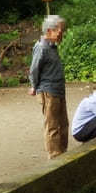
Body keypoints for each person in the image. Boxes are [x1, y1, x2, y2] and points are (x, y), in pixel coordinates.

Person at [28, 15, 68, 159]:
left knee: (63, 124)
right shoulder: (41, 47)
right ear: (50, 30)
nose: (61, 33)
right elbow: (34, 69)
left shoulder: (52, 46)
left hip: (59, 90)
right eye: (59, 30)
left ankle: (63, 152)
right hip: (48, 91)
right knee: (52, 125)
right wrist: (33, 86)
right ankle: (55, 156)